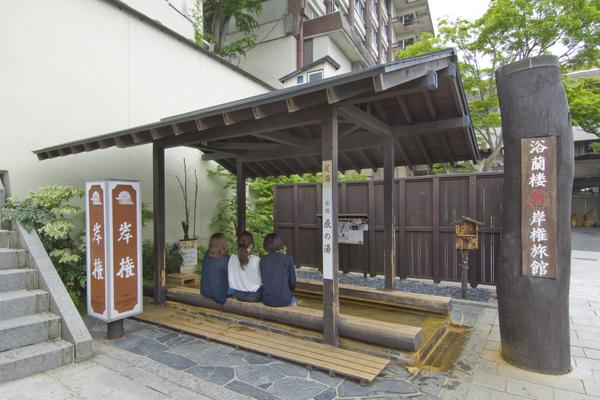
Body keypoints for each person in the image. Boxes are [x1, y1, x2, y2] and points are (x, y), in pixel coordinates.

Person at [259, 233, 297, 307]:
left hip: (267, 300)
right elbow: (292, 283)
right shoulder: (288, 259)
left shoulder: (263, 260)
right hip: (285, 299)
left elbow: (263, 280)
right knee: (293, 299)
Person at [228, 231, 262, 302]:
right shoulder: (256, 260)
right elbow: (261, 280)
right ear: (251, 245)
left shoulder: (231, 258)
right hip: (254, 296)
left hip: (237, 294)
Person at [200, 233, 230, 305]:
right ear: (224, 244)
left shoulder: (206, 254)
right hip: (219, 295)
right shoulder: (226, 259)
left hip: (204, 291)